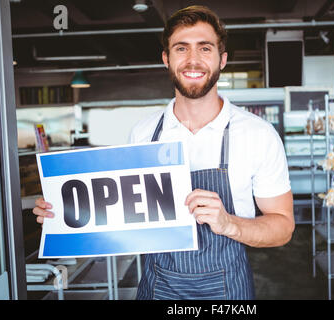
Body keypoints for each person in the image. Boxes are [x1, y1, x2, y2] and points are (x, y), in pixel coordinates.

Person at [33, 5, 294, 300]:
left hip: (227, 291)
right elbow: (120, 215)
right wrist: (65, 213)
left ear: (222, 60)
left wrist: (229, 223)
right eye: (181, 48)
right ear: (166, 59)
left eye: (205, 48)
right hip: (158, 288)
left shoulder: (257, 135)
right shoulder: (143, 134)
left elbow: (283, 226)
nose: (192, 60)